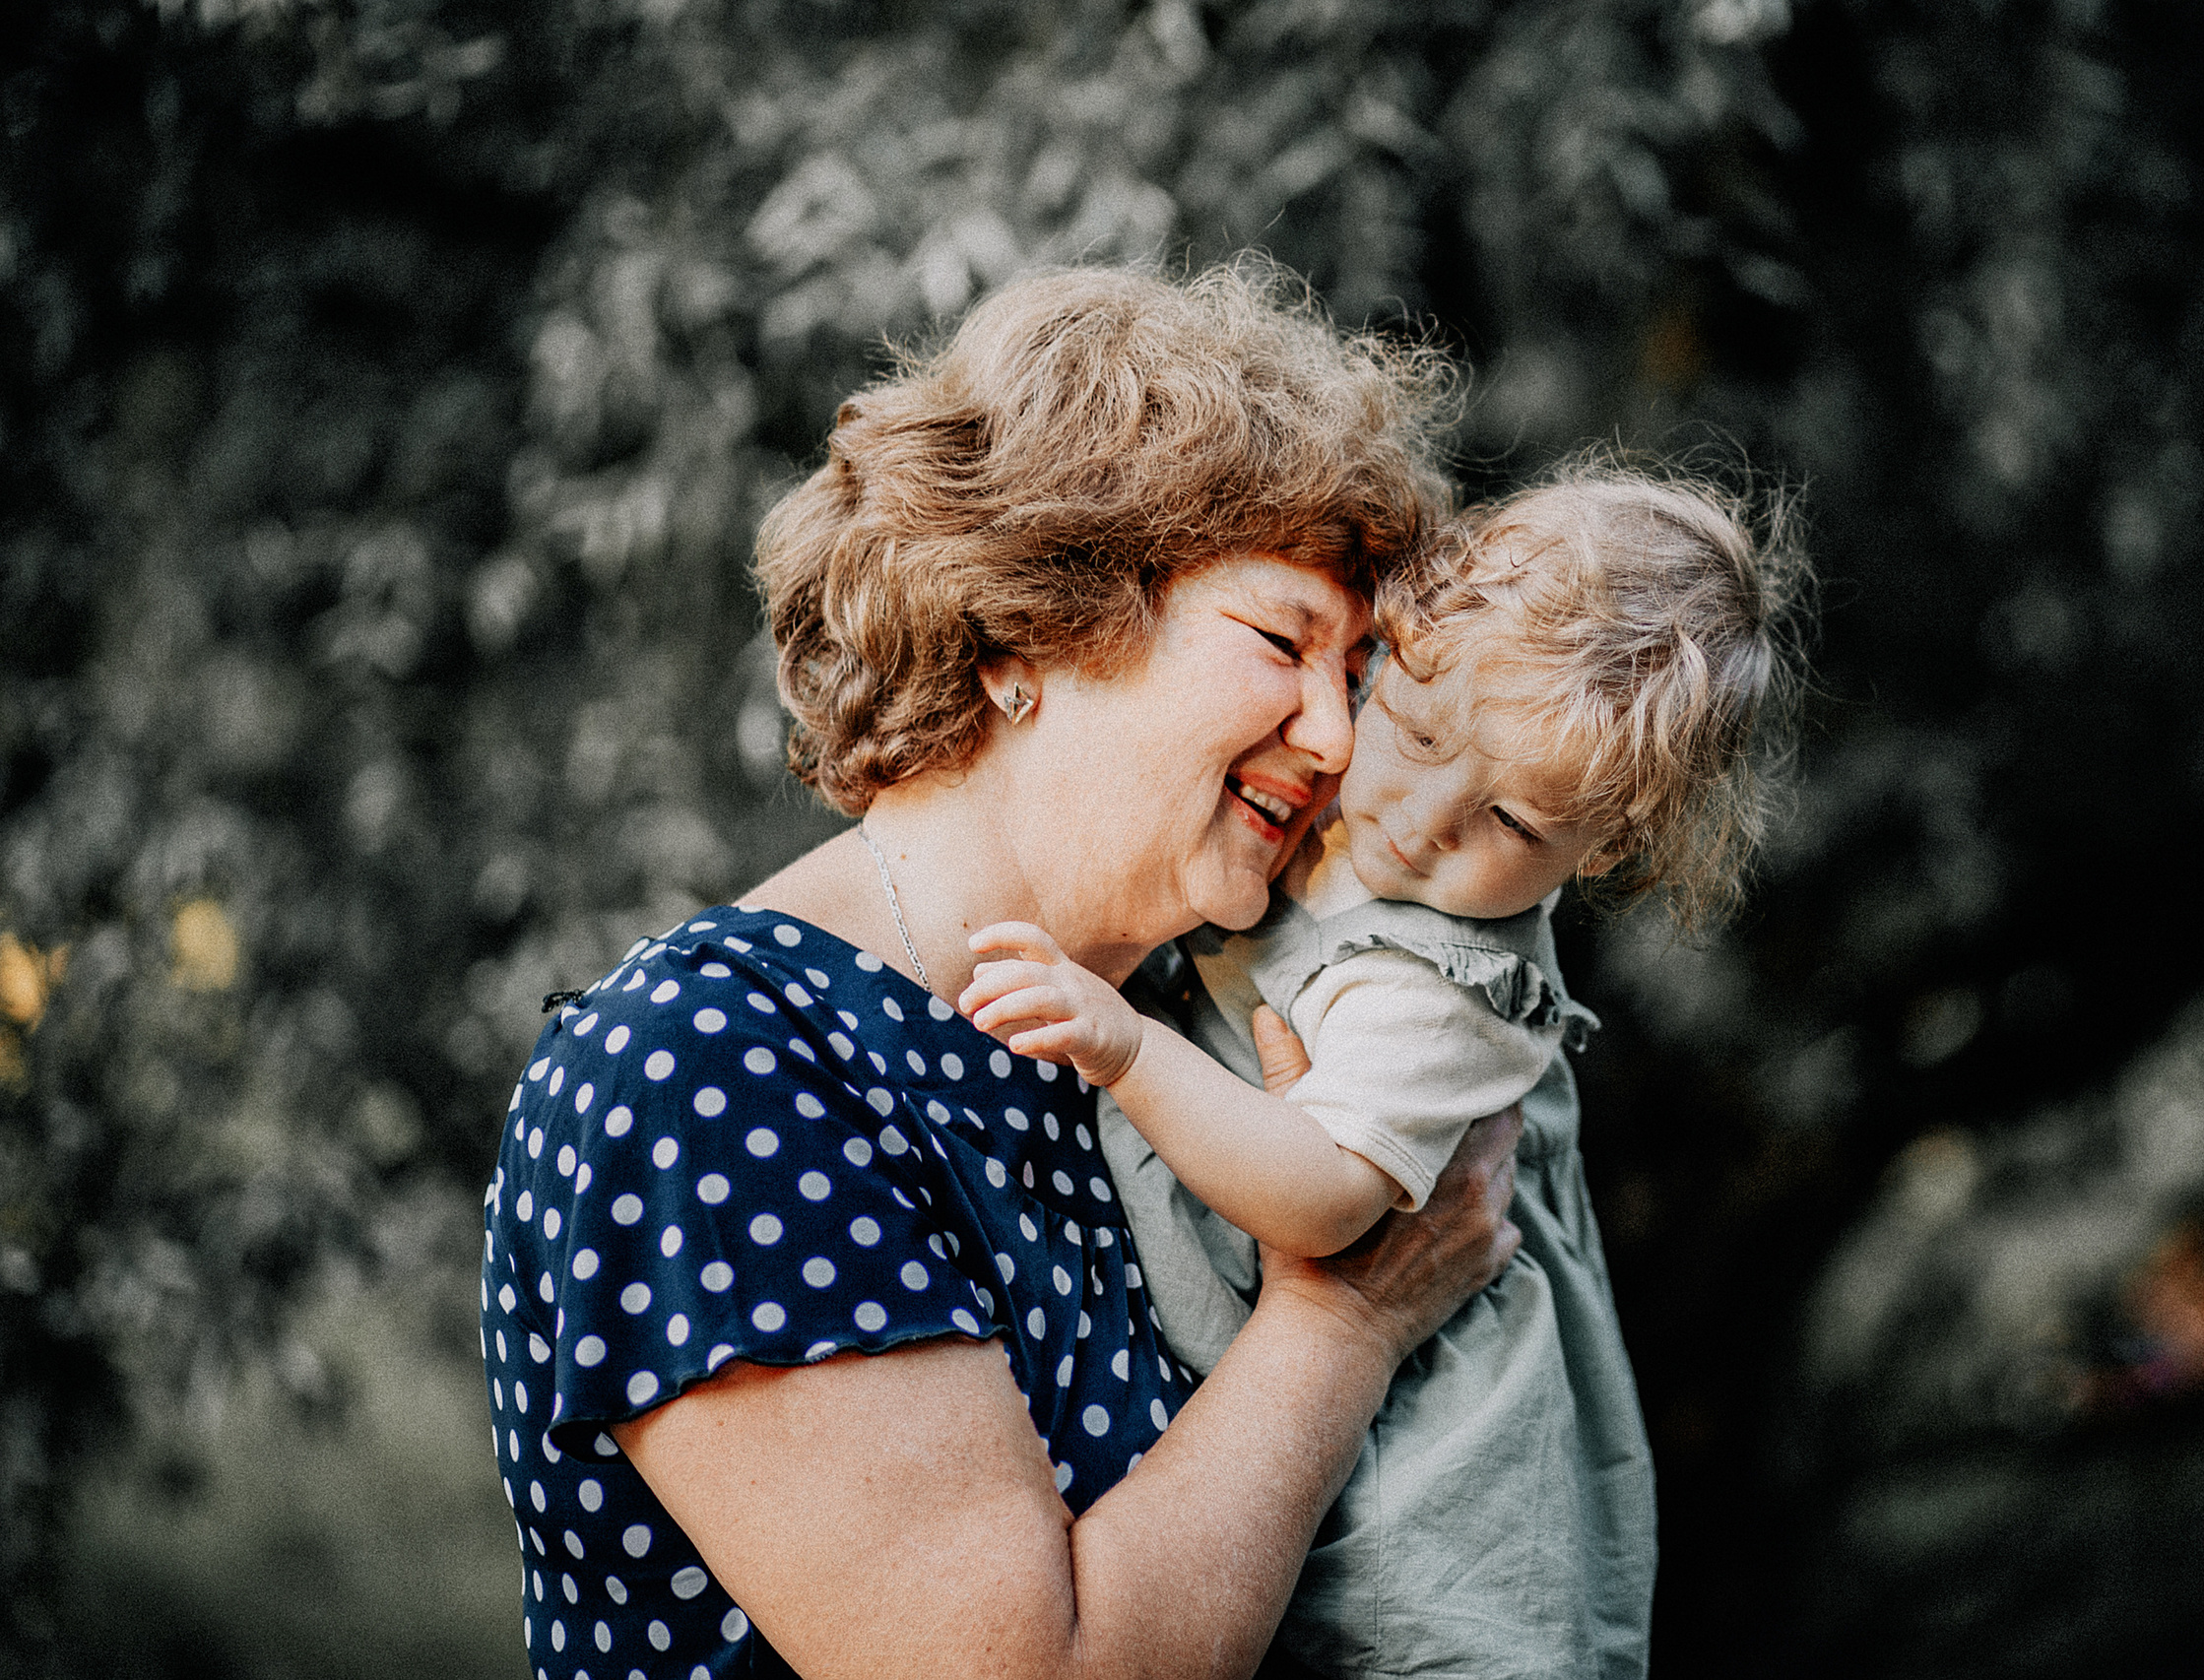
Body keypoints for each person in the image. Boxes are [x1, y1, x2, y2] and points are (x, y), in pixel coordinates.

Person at [479, 263, 1525, 1680]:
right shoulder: (715, 1062)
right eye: (1284, 641)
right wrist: (1341, 1319)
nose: (1337, 739)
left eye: (1358, 674)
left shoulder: (1186, 1049)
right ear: (1036, 626)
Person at [961, 467, 1804, 1678]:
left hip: (1439, 1510)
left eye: (1510, 823)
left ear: (1603, 843)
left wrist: (1129, 1044)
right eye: (1411, 731)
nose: (1418, 821)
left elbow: (1319, 1197)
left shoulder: (1441, 985)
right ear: (1392, 645)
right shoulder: (1343, 809)